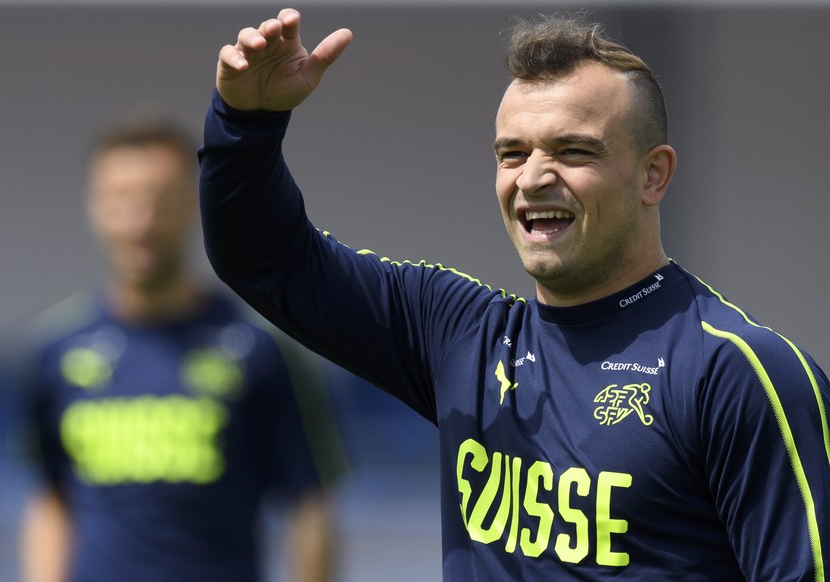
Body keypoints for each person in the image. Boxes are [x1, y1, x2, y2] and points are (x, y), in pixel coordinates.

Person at [198, 8, 830, 581]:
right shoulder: (459, 334)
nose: (532, 177)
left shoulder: (738, 372)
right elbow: (266, 258)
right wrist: (245, 124)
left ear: (653, 174)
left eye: (572, 150)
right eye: (512, 153)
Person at [21, 113, 348, 582]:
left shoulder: (261, 348)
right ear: (93, 206)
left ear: (193, 205)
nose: (141, 222)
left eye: (159, 201)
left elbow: (310, 507)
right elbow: (51, 498)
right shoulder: (54, 348)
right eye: (121, 200)